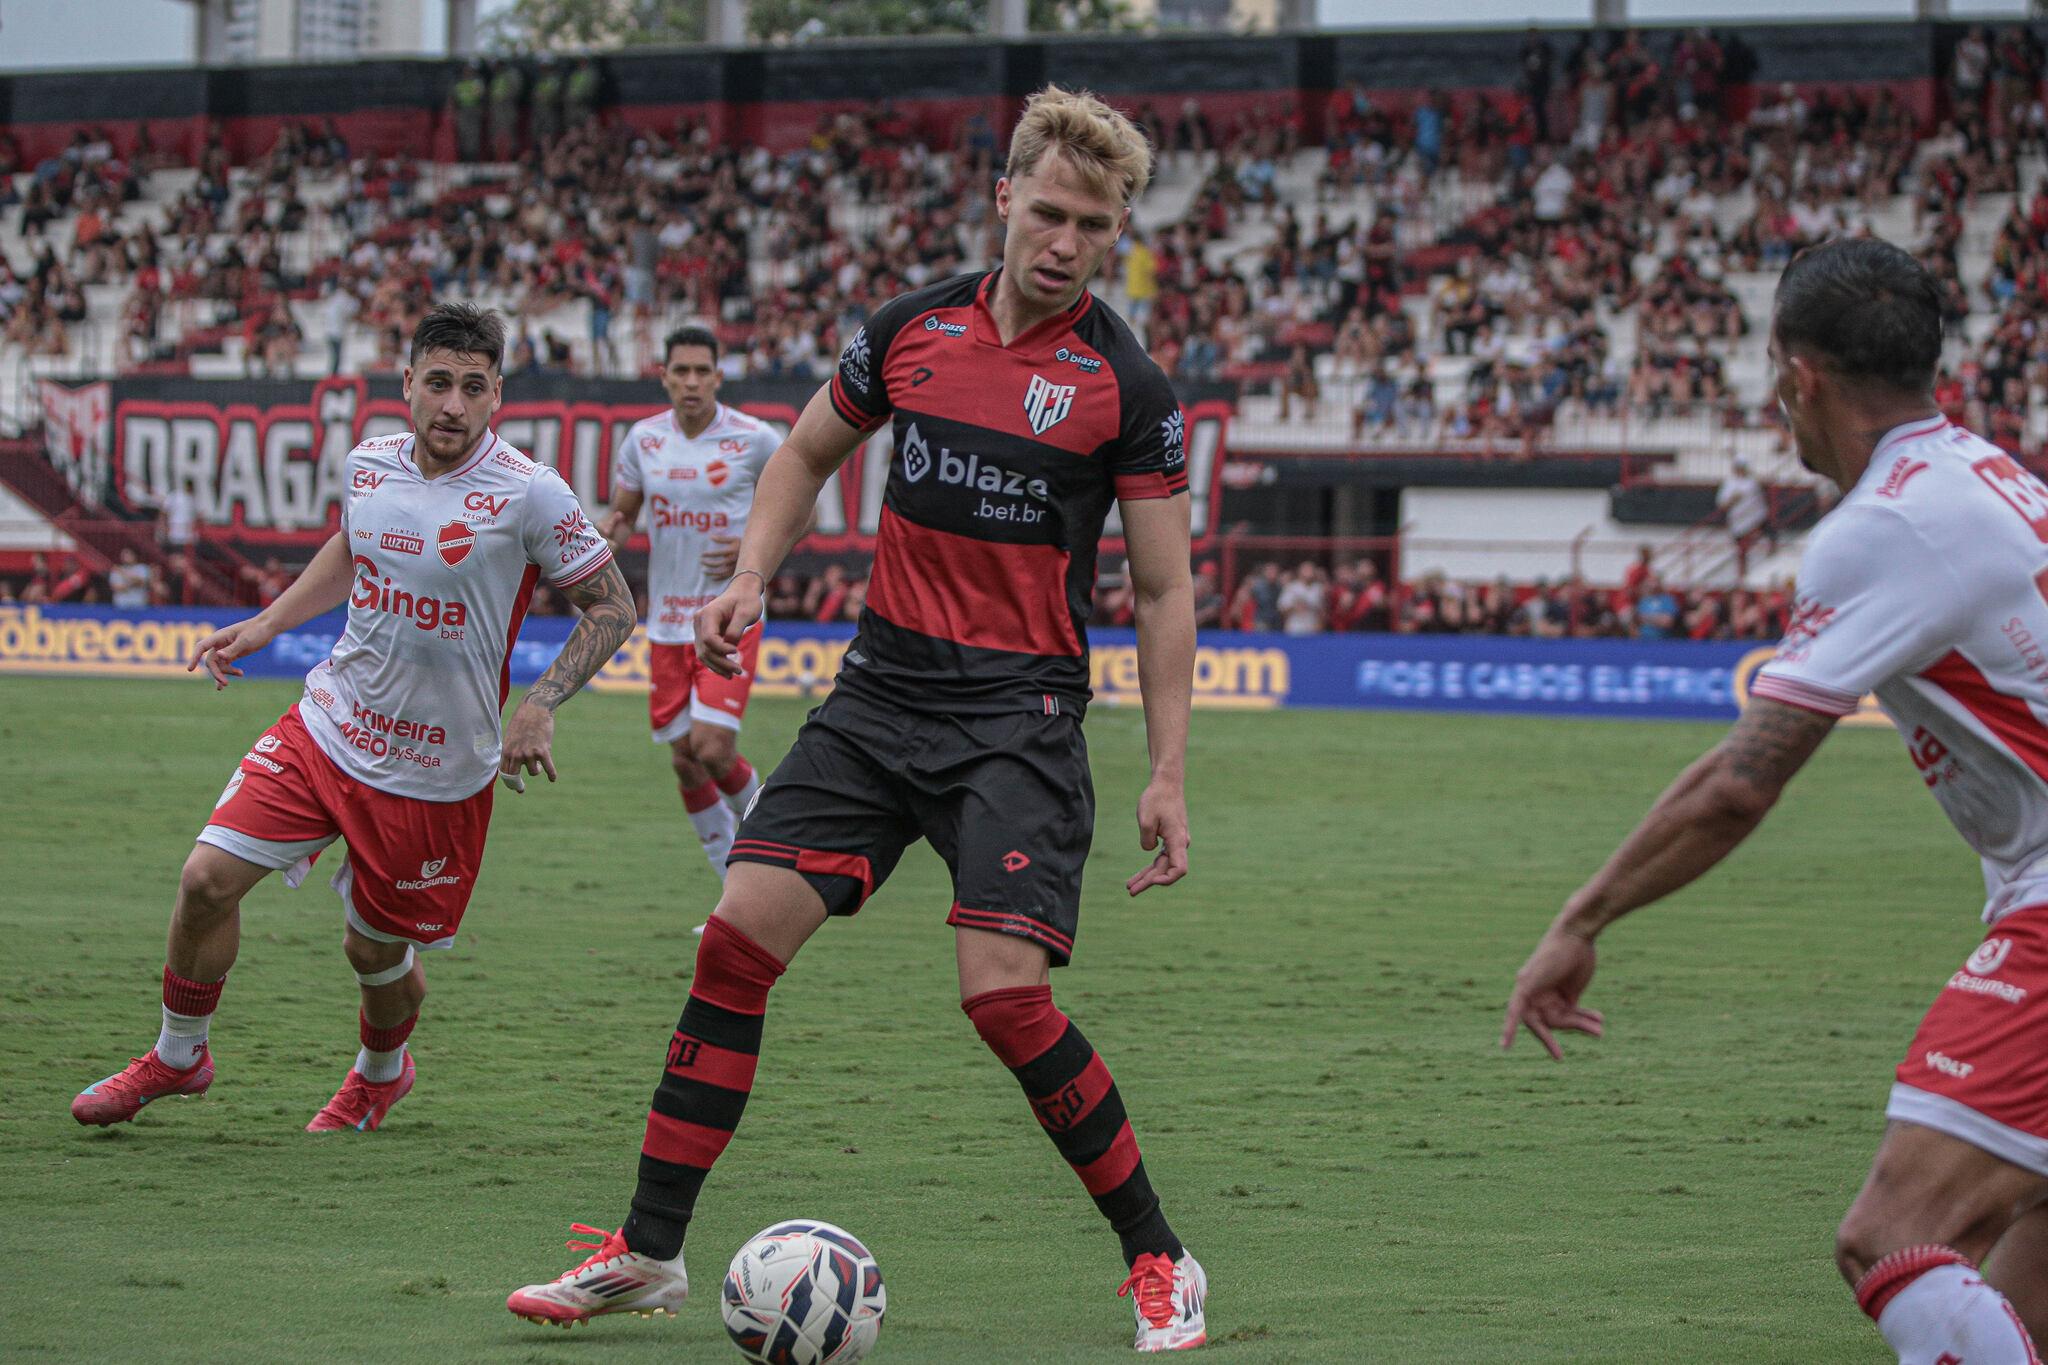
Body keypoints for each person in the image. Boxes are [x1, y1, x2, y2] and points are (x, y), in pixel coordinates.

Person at [507, 86, 1208, 1353]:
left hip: (1016, 721)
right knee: (732, 945)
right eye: (1046, 213)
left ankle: (1160, 1260)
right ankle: (649, 1255)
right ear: (1003, 198)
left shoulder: (1126, 386)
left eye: (1091, 225)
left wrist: (1166, 771)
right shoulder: (907, 330)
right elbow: (802, 456)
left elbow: (1162, 591)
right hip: (879, 696)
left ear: (1114, 233)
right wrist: (749, 575)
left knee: (1004, 1004)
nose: (1063, 243)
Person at [1502, 239, 2045, 1361]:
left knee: (1893, 1236)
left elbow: (1741, 781)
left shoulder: (1884, 524)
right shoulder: (1991, 474)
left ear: (1799, 376)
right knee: (2022, 1275)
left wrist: (1581, 919)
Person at [71, 304, 635, 1136]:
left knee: (373, 952)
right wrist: (267, 625)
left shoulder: (531, 492)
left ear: (496, 396)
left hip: (435, 773)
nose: (452, 404)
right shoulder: (368, 463)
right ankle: (178, 1054)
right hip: (329, 726)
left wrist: (540, 703)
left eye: (472, 387)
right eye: (437, 382)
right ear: (406, 383)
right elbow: (352, 546)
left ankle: (381, 1072)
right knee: (204, 880)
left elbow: (614, 606)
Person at [601, 324, 776, 887]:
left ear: (719, 377)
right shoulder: (643, 440)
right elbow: (624, 516)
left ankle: (775, 843)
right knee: (684, 757)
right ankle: (732, 887)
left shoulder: (755, 439)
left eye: (703, 371)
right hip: (667, 625)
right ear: (665, 377)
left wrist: (750, 548)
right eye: (682, 371)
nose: (692, 381)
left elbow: (802, 511)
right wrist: (600, 542)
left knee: (712, 747)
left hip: (729, 616)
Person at [1716, 458, 1770, 581]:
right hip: (1737, 522)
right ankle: (1742, 576)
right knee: (1741, 551)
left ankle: (1751, 575)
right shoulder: (1729, 483)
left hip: (1755, 520)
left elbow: (1756, 499)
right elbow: (1723, 504)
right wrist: (1733, 499)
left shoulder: (1752, 482)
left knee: (1752, 546)